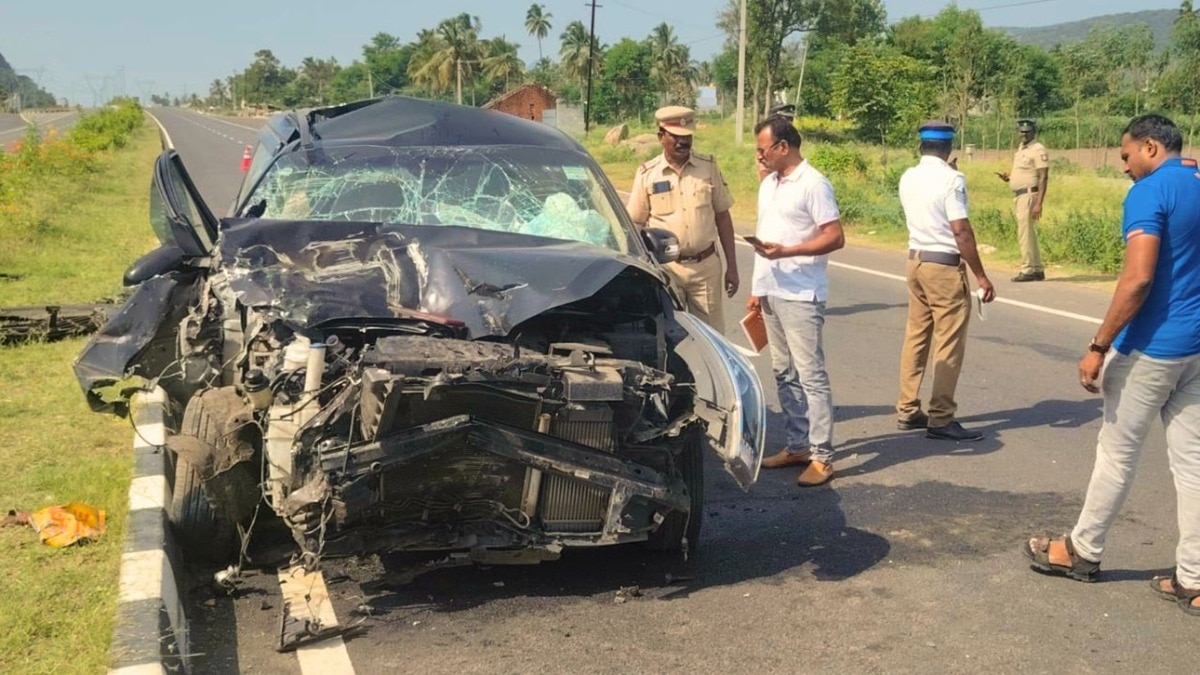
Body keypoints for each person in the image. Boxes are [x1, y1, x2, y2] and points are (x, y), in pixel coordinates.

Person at [1022, 114, 1200, 617]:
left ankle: (1082, 550)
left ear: (1150, 147)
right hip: (1195, 347)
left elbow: (1138, 278)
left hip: (1152, 347)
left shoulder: (1150, 192)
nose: (1124, 166)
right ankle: (1194, 578)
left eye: (1126, 155)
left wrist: (1099, 345)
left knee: (1117, 455)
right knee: (1193, 463)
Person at [749, 115, 845, 487]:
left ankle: (822, 456)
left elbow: (835, 236)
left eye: (763, 150)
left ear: (783, 147)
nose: (759, 156)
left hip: (801, 293)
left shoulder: (814, 184)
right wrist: (757, 289)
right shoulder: (769, 183)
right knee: (783, 373)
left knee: (810, 376)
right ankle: (797, 445)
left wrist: (789, 252)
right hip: (772, 290)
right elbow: (766, 235)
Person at [895, 121, 996, 442]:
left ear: (921, 146)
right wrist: (981, 275)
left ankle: (908, 408)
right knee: (948, 342)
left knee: (916, 337)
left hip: (915, 260)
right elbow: (960, 230)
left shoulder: (908, 176)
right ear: (949, 148)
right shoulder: (952, 180)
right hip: (943, 266)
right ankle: (941, 417)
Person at [626, 106, 738, 332]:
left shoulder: (708, 167)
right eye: (675, 136)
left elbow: (723, 217)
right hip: (667, 270)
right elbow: (636, 224)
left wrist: (732, 267)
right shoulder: (648, 174)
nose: (682, 142)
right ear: (661, 136)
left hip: (705, 269)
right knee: (670, 335)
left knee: (711, 336)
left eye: (687, 137)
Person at [997, 118, 1050, 282]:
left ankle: (1027, 269)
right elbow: (1024, 171)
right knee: (1028, 234)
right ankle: (1037, 269)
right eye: (1022, 132)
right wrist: (1010, 177)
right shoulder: (1021, 148)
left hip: (1029, 195)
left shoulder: (1038, 149)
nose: (1024, 134)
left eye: (1027, 132)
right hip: (1020, 195)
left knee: (1024, 234)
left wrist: (1039, 203)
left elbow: (1043, 177)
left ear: (1034, 132)